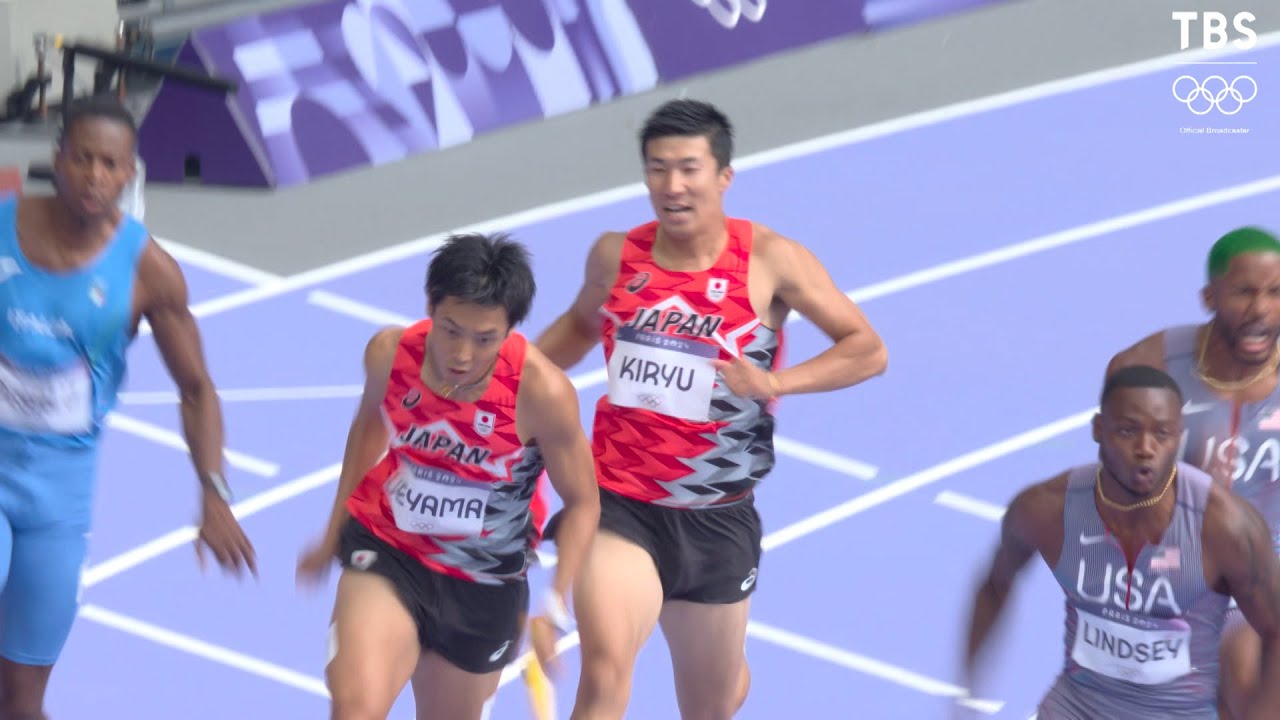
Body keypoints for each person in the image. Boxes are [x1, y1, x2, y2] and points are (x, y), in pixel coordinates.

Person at [534, 98, 889, 719]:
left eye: (689, 168)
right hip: (620, 504)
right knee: (607, 666)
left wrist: (773, 381)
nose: (672, 186)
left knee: (712, 704)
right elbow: (575, 329)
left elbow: (867, 350)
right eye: (657, 169)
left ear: (723, 176)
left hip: (717, 519)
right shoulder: (616, 257)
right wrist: (506, 379)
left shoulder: (773, 261)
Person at [0, 94, 256, 717]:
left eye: (110, 164)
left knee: (21, 696)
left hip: (58, 495)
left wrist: (215, 492)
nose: (94, 176)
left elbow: (196, 388)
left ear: (130, 172)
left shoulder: (150, 273)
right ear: (57, 160)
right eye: (82, 158)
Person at [296, 232, 600, 720]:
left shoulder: (542, 394)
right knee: (355, 707)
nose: (462, 354)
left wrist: (556, 606)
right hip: (390, 550)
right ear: (430, 309)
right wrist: (332, 531)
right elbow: (368, 427)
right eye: (450, 330)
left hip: (484, 583)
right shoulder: (389, 354)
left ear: (510, 331)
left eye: (484, 340)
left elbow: (584, 502)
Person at [963, 364, 1280, 719]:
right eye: (1128, 431)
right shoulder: (1045, 510)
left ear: (1178, 436)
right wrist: (968, 693)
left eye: (1162, 434)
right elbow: (994, 585)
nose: (1145, 448)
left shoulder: (1225, 527)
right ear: (1099, 430)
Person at [1106, 225, 1280, 717]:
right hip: (1180, 571)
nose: (1262, 310)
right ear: (1210, 296)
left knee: (1251, 682)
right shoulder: (1146, 371)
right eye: (1245, 292)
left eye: (1276, 293)